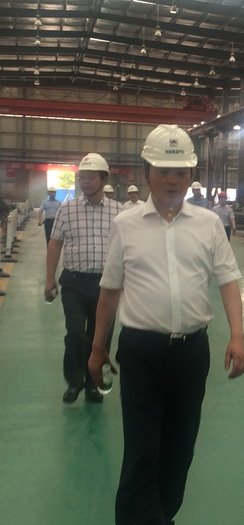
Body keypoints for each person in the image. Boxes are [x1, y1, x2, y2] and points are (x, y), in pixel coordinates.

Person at [87, 124, 244, 525]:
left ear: (191, 175)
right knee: (142, 450)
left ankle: (162, 515)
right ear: (147, 174)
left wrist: (238, 336)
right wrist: (97, 347)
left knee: (180, 448)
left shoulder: (208, 224)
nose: (173, 180)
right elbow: (110, 290)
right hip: (141, 352)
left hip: (192, 353)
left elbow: (228, 280)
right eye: (163, 171)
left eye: (181, 172)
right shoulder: (126, 225)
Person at [45, 153, 123, 403]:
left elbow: (127, 249)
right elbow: (55, 244)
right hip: (74, 283)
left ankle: (93, 384)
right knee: (76, 333)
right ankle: (75, 381)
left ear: (103, 179)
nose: (84, 182)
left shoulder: (119, 212)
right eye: (82, 177)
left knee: (101, 336)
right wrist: (49, 279)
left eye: (90, 177)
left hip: (106, 285)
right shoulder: (67, 209)